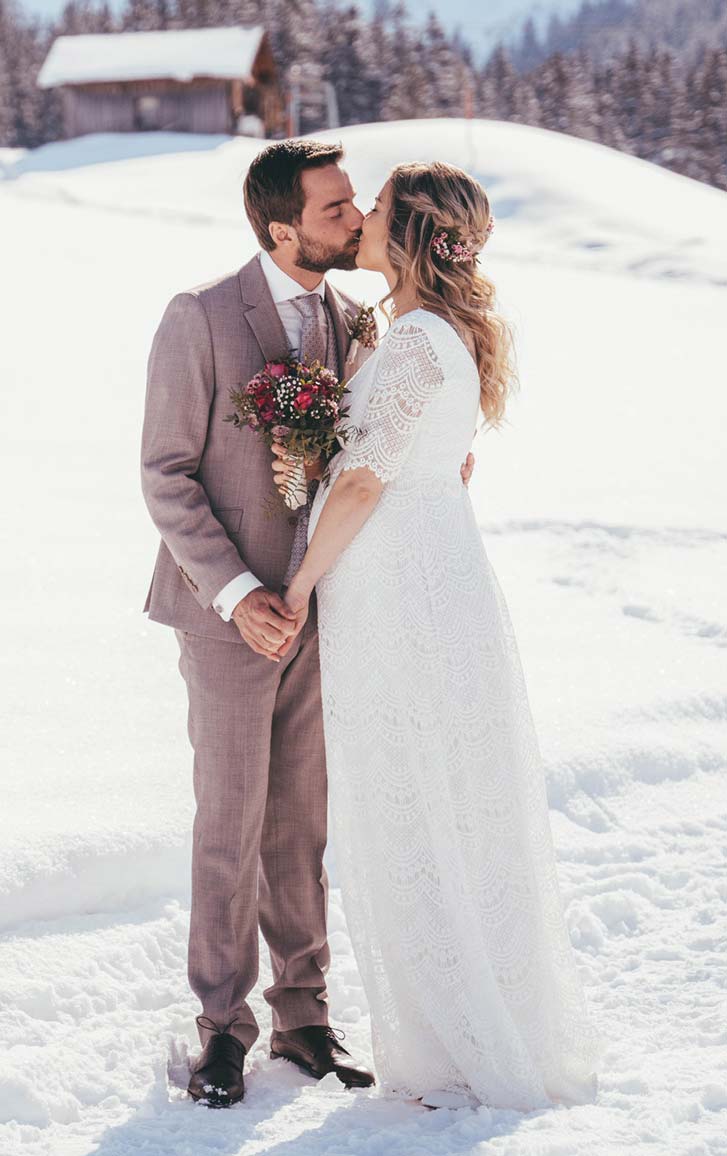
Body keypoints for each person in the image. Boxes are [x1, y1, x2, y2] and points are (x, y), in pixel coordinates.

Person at [140, 138, 476, 1107]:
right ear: (281, 227)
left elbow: (387, 441)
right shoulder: (198, 317)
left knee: (303, 824)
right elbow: (165, 475)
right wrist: (242, 596)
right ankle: (221, 1027)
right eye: (336, 210)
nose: (357, 221)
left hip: (328, 611)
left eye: (354, 207)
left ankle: (304, 1017)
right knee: (230, 823)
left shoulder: (356, 321)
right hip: (228, 616)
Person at [279, 161, 604, 1111]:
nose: (363, 216)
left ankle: (459, 1033)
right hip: (420, 569)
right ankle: (452, 1022)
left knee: (412, 796)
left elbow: (367, 479)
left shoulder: (419, 340)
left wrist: (297, 583)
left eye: (376, 206)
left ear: (412, 232)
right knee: (430, 795)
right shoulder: (421, 331)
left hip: (400, 587)